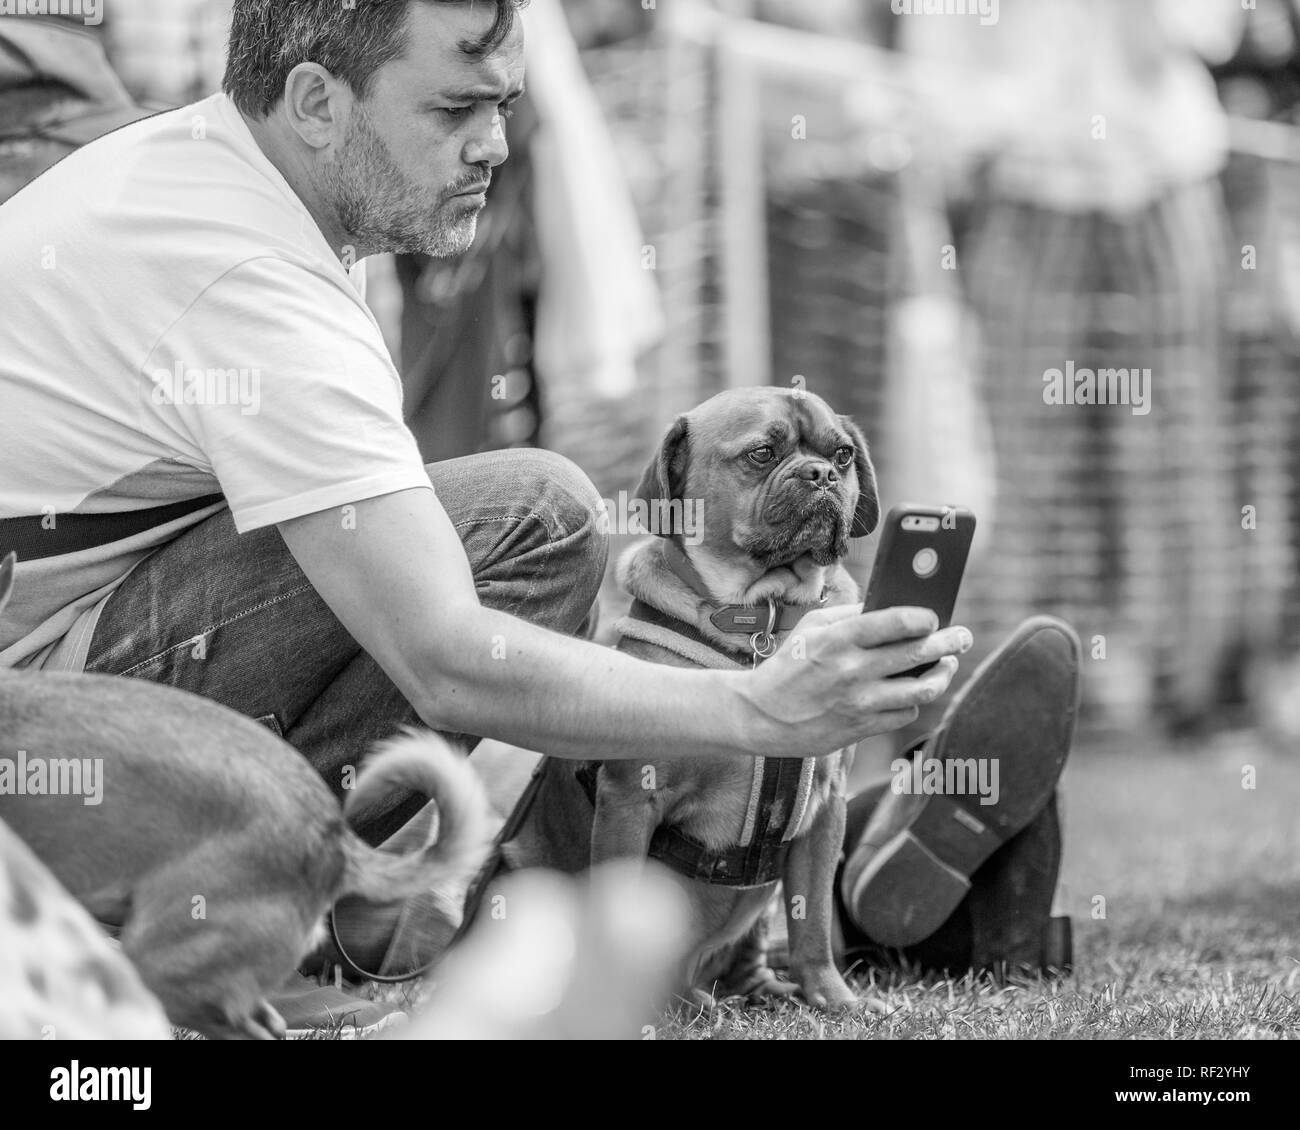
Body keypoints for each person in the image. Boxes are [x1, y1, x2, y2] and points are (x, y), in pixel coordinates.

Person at [0, 1, 1069, 1033]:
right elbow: (448, 659)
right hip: (39, 728)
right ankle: (273, 913)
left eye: (505, 104)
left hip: (72, 693)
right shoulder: (251, 275)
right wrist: (756, 705)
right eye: (455, 107)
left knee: (496, 543)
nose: (497, 145)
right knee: (537, 519)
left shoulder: (223, 182)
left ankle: (323, 911)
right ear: (316, 101)